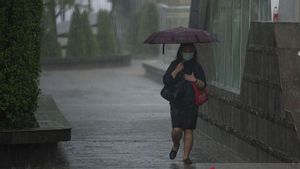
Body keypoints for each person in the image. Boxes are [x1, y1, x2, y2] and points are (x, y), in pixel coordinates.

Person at [163, 43, 206, 165]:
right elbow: (166, 81)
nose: (188, 53)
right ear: (181, 52)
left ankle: (186, 157)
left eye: (190, 50)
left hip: (191, 103)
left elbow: (204, 85)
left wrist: (195, 80)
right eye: (185, 50)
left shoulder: (197, 67)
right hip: (176, 103)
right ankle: (176, 144)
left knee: (189, 130)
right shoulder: (174, 64)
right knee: (176, 130)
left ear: (194, 52)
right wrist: (176, 71)